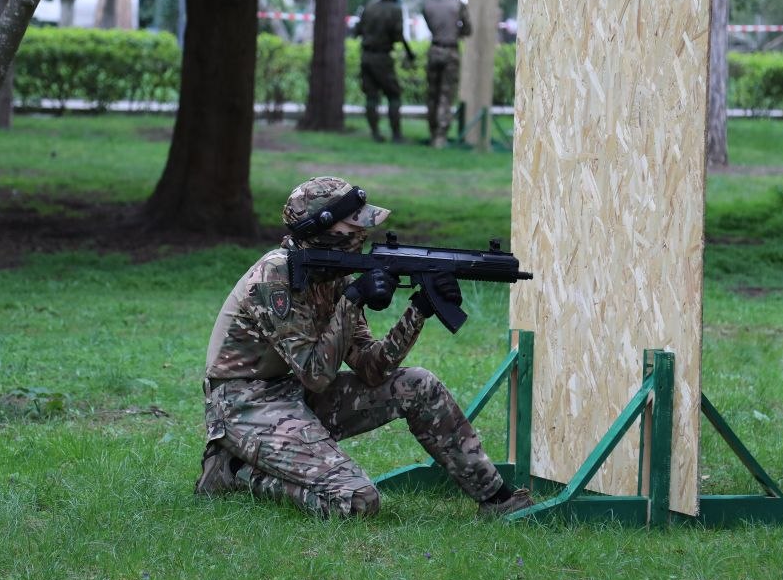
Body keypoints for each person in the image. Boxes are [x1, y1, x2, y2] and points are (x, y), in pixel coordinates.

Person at [195, 176, 534, 519]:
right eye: (354, 223)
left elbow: (372, 368)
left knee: (417, 384)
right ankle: (234, 472)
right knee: (355, 500)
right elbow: (316, 375)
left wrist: (420, 310)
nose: (364, 232)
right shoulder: (274, 278)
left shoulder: (335, 275)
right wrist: (352, 301)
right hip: (244, 404)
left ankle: (497, 501)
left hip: (292, 394)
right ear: (323, 226)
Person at [354, 0, 415, 143]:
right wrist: (409, 53)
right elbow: (398, 35)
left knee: (371, 96)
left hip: (366, 56)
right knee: (394, 95)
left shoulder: (369, 7)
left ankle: (375, 133)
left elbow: (357, 30)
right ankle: (396, 135)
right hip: (382, 57)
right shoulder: (395, 10)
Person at [421, 0, 472, 149]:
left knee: (432, 93)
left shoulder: (426, 5)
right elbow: (468, 29)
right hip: (451, 51)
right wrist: (454, 32)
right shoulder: (457, 4)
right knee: (445, 94)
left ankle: (432, 130)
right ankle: (440, 137)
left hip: (434, 49)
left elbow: (431, 25)